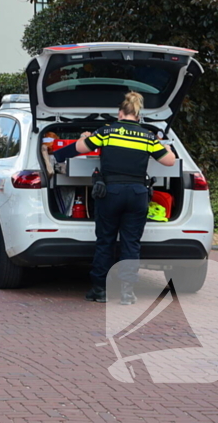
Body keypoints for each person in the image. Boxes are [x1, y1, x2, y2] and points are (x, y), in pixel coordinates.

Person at [53, 91, 176, 305]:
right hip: (137, 194)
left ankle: (99, 290)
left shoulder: (107, 132)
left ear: (120, 113)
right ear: (138, 116)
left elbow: (79, 149)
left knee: (105, 241)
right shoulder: (147, 136)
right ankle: (127, 293)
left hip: (110, 193)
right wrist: (166, 147)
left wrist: (66, 149)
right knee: (131, 244)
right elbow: (169, 162)